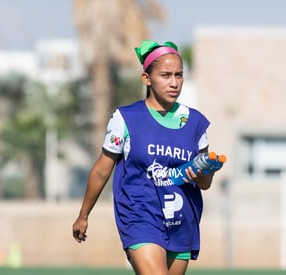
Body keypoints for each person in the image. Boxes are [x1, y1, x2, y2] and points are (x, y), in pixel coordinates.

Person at [72, 40, 217, 275]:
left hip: (181, 221)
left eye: (179, 75)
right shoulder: (126, 118)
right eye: (165, 75)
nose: (174, 82)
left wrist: (202, 174)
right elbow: (102, 170)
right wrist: (83, 215)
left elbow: (205, 183)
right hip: (139, 217)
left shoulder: (195, 123)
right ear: (146, 79)